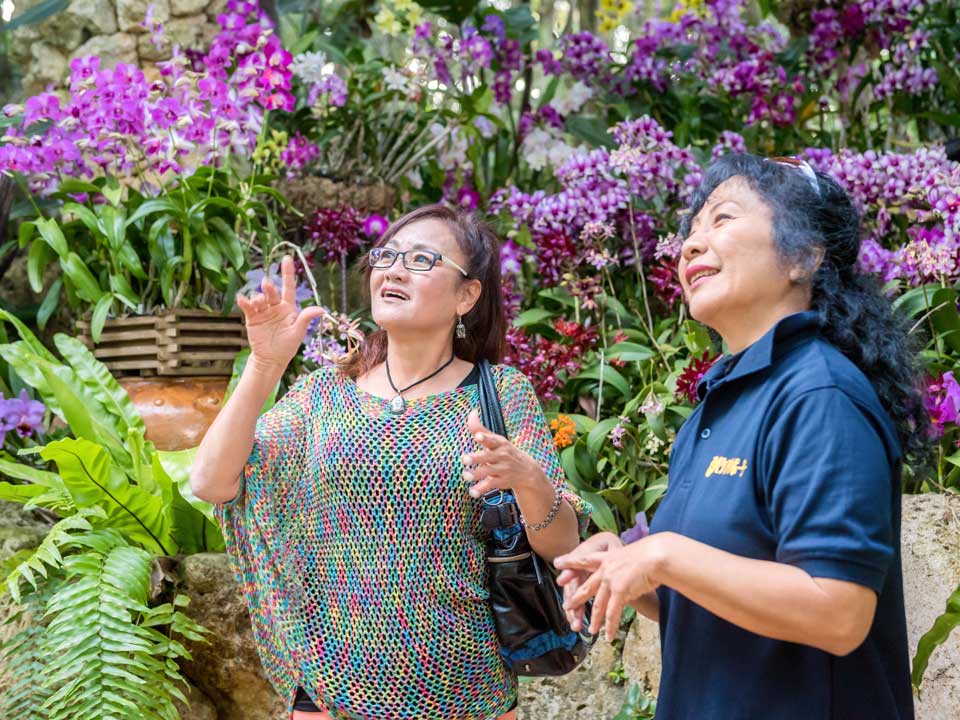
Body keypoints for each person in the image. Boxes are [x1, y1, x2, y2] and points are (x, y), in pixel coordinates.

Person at [556, 153, 927, 719]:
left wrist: (664, 554)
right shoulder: (720, 402)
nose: (690, 244)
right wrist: (632, 569)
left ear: (803, 256)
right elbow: (710, 592)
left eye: (722, 218)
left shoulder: (819, 394)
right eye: (690, 230)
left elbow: (839, 611)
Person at [190, 204, 589, 720]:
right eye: (387, 256)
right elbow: (212, 482)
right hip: (328, 694)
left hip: (468, 695)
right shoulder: (325, 393)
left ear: (467, 295)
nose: (395, 270)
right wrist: (266, 364)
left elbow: (562, 544)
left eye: (421, 259)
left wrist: (529, 480)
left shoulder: (501, 393)